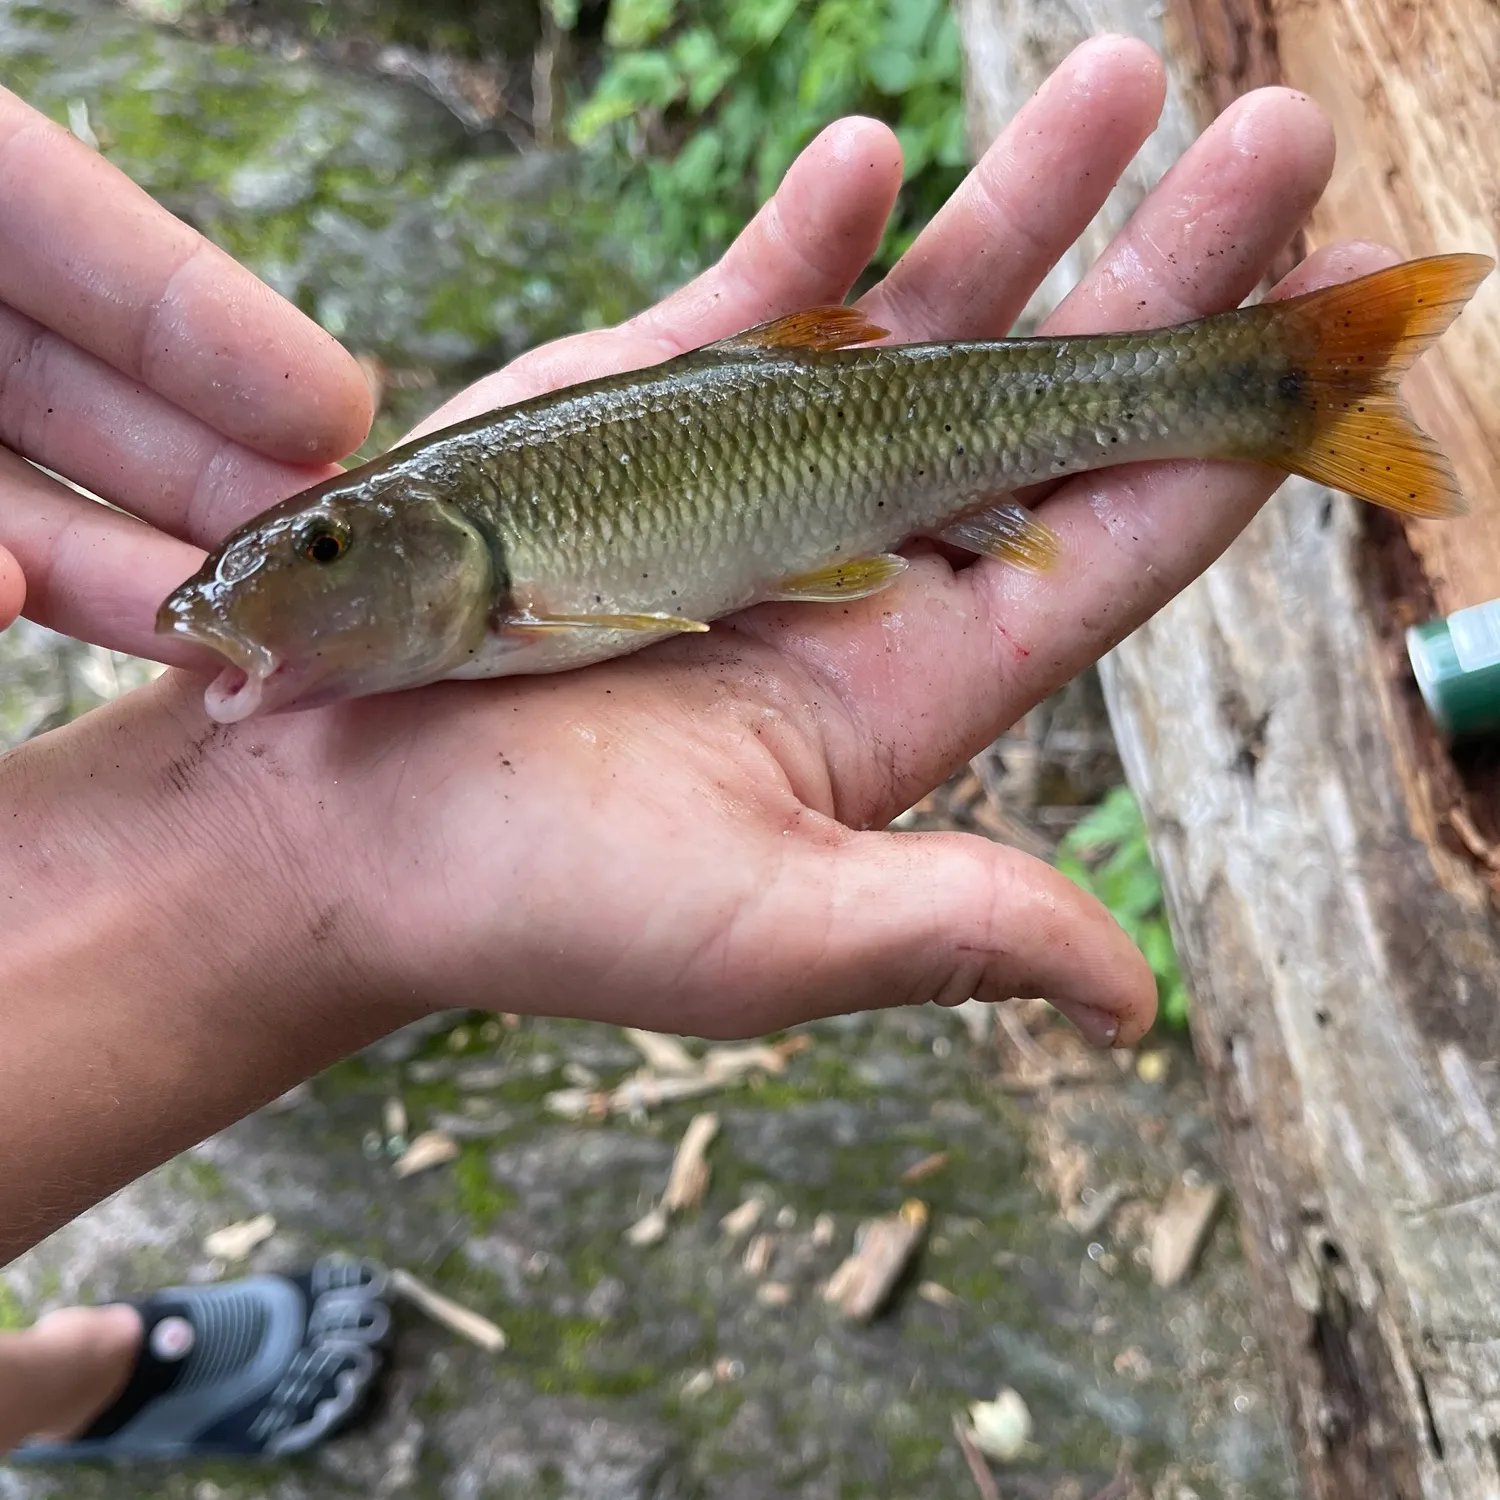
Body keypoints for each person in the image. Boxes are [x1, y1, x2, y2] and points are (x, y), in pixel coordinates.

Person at [0, 33, 1387, 1461]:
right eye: (325, 543)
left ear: (407, 546)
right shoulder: (430, 606)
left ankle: (1258, 384)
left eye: (327, 544)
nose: (302, 569)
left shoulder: (493, 571)